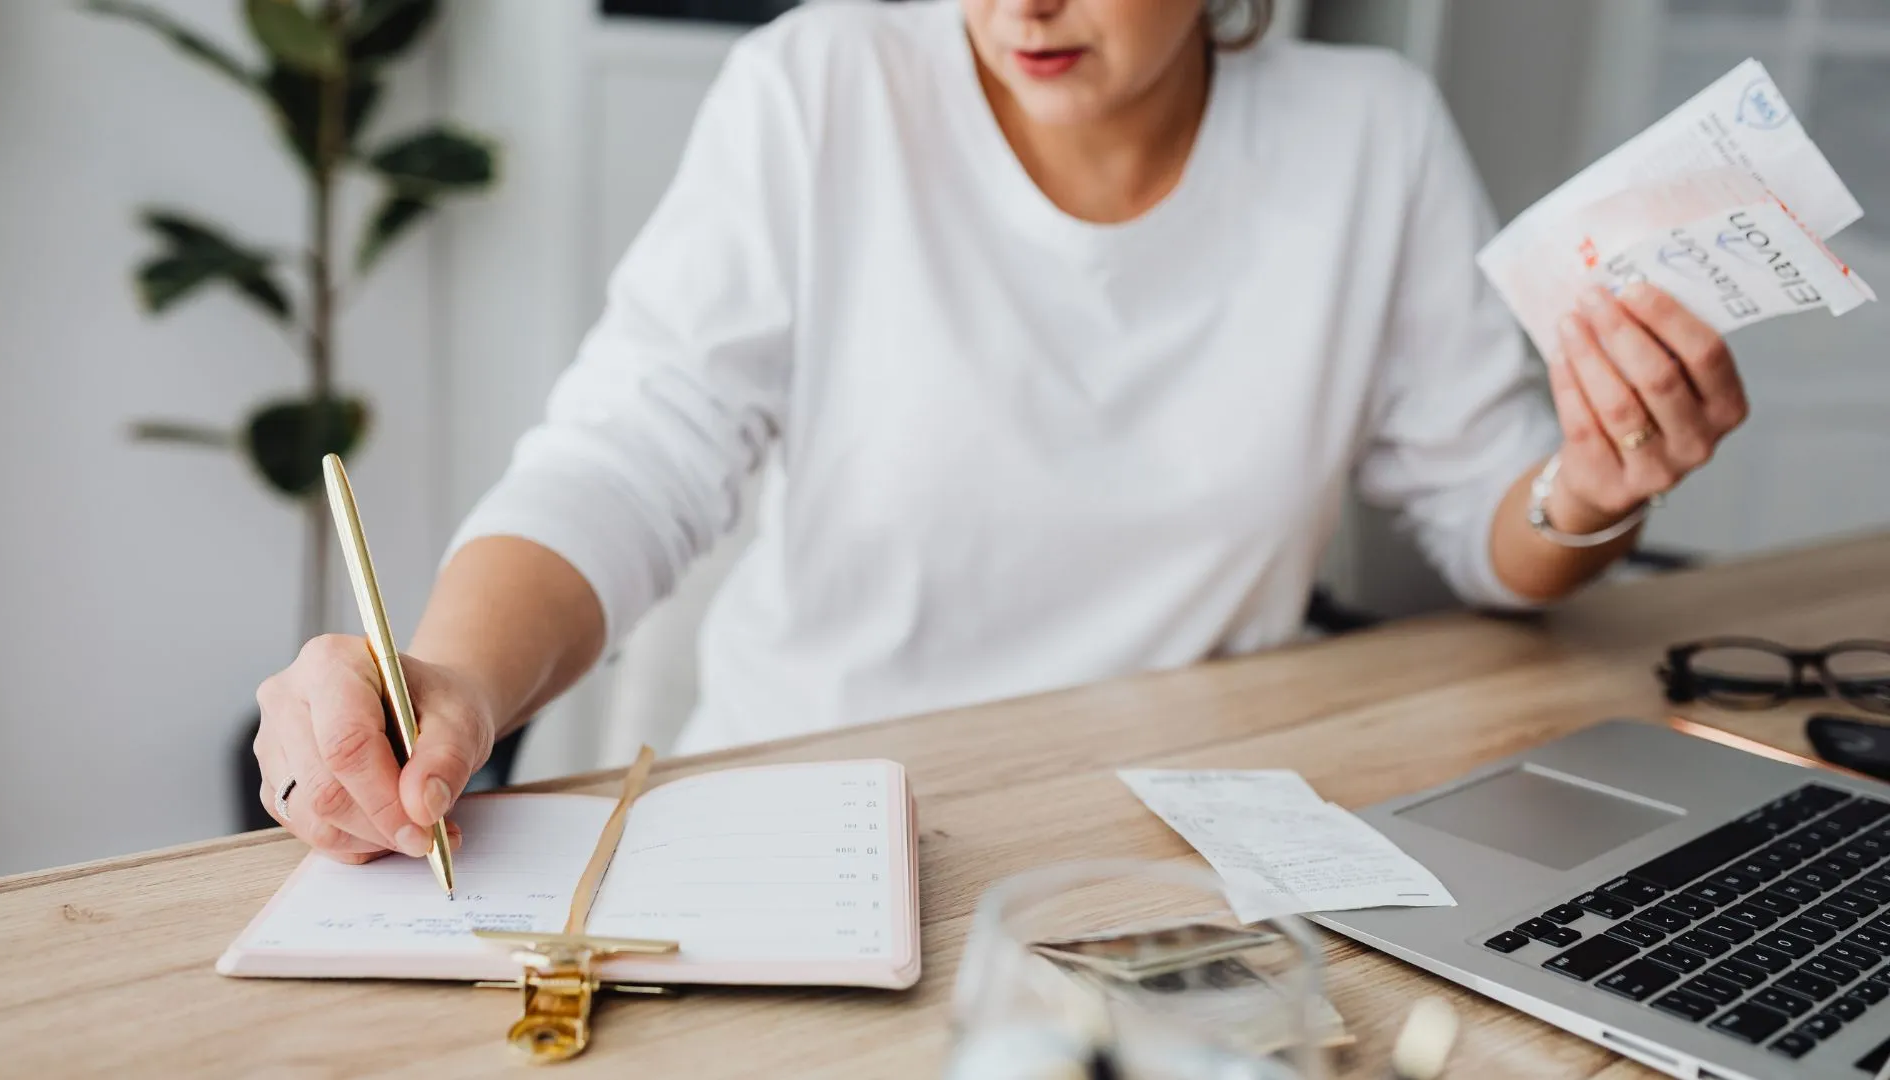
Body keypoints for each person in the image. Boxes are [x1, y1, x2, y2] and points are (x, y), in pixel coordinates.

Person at [253, 0, 1750, 863]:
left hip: (1186, 849)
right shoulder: (819, 87)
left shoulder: (1370, 134)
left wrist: (1588, 490)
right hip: (808, 836)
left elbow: (1492, 521)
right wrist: (447, 673)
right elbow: (632, 452)